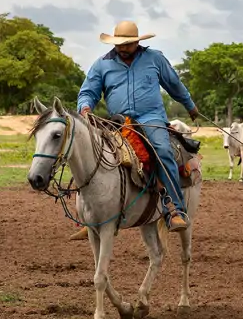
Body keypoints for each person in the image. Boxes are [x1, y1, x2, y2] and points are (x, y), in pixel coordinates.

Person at [77, 20, 200, 232]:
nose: (123, 48)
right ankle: (89, 214)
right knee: (90, 152)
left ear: (137, 42)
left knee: (162, 151)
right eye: (119, 44)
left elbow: (174, 84)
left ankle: (175, 210)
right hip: (117, 120)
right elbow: (88, 91)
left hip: (150, 117)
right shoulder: (102, 64)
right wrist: (85, 107)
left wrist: (190, 105)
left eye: (127, 44)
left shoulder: (155, 58)